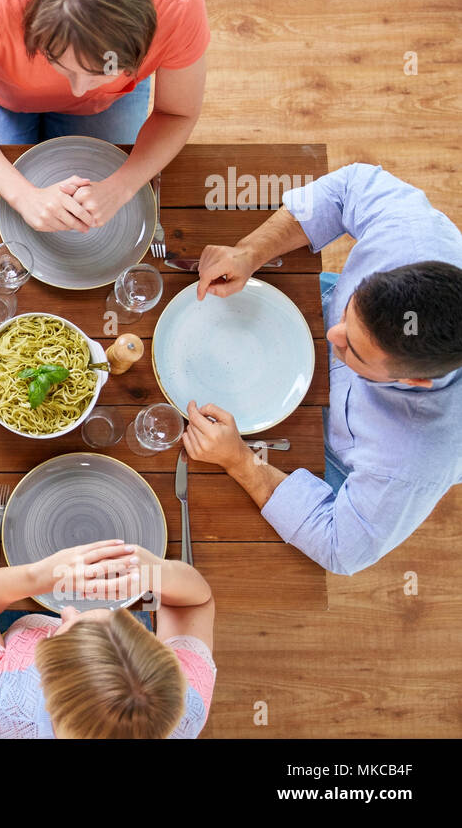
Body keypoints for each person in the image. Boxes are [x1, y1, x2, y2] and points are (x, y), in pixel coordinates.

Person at [186, 164, 462, 575]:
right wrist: (250, 251)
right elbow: (350, 187)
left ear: (413, 381)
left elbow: (340, 548)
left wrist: (242, 461)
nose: (329, 337)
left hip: (342, 444)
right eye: (349, 316)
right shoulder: (412, 235)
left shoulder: (414, 461)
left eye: (351, 349)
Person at [0, 0, 208, 232]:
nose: (78, 92)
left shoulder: (180, 7)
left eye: (99, 73)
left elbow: (177, 114)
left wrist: (122, 186)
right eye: (58, 63)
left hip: (108, 102)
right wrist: (23, 195)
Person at [0, 540, 215, 739]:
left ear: (42, 683)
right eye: (121, 619)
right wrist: (157, 572)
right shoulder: (186, 702)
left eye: (66, 627)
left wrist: (36, 576)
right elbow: (194, 604)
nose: (69, 610)